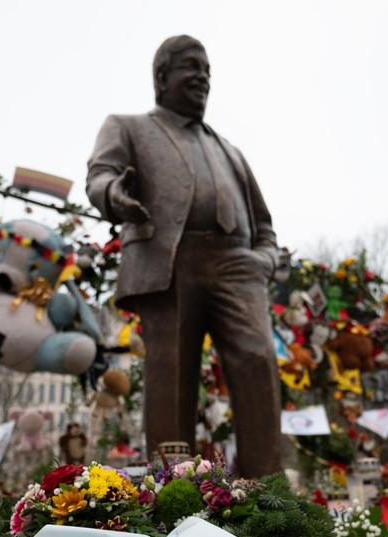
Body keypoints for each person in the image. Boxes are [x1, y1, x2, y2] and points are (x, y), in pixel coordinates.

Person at [86, 35, 281, 477]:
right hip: (170, 260)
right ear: (162, 77)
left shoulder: (230, 150)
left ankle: (269, 491)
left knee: (257, 362)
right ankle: (174, 488)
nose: (202, 78)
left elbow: (265, 225)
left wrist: (264, 261)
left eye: (208, 70)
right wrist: (116, 196)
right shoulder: (129, 126)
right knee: (171, 375)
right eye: (191, 67)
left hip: (238, 265)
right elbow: (100, 177)